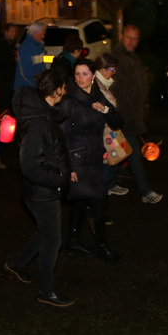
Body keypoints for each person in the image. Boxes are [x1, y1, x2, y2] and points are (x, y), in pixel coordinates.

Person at [5, 67, 74, 307]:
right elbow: (30, 166)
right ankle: (47, 290)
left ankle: (18, 263)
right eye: (64, 87)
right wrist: (60, 177)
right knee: (52, 241)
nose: (66, 91)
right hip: (43, 193)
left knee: (46, 232)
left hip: (43, 190)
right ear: (57, 91)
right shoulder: (38, 123)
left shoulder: (44, 114)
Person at [59, 58, 124, 263]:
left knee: (79, 202)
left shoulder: (98, 96)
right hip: (77, 161)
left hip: (94, 158)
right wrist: (68, 166)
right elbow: (61, 135)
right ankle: (102, 246)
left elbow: (118, 121)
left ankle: (72, 242)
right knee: (99, 201)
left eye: (85, 74)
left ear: (93, 76)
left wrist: (104, 110)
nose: (80, 78)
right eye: (77, 74)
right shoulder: (69, 101)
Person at [111, 25, 162, 203]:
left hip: (133, 114)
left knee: (118, 153)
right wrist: (130, 112)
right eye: (128, 37)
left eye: (135, 38)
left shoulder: (132, 57)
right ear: (121, 36)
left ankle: (108, 184)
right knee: (133, 154)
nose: (131, 41)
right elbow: (118, 88)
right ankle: (146, 192)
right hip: (126, 116)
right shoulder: (117, 58)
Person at [93, 53, 128, 197]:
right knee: (109, 164)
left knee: (117, 157)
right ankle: (102, 192)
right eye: (112, 70)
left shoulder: (104, 83)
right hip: (104, 132)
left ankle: (109, 186)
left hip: (110, 130)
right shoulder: (97, 86)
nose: (114, 73)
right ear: (103, 69)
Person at [14, 21, 46, 91]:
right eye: (41, 34)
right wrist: (38, 86)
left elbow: (42, 67)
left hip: (35, 87)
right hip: (26, 88)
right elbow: (26, 73)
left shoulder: (39, 47)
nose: (43, 36)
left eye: (43, 34)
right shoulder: (25, 48)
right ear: (33, 33)